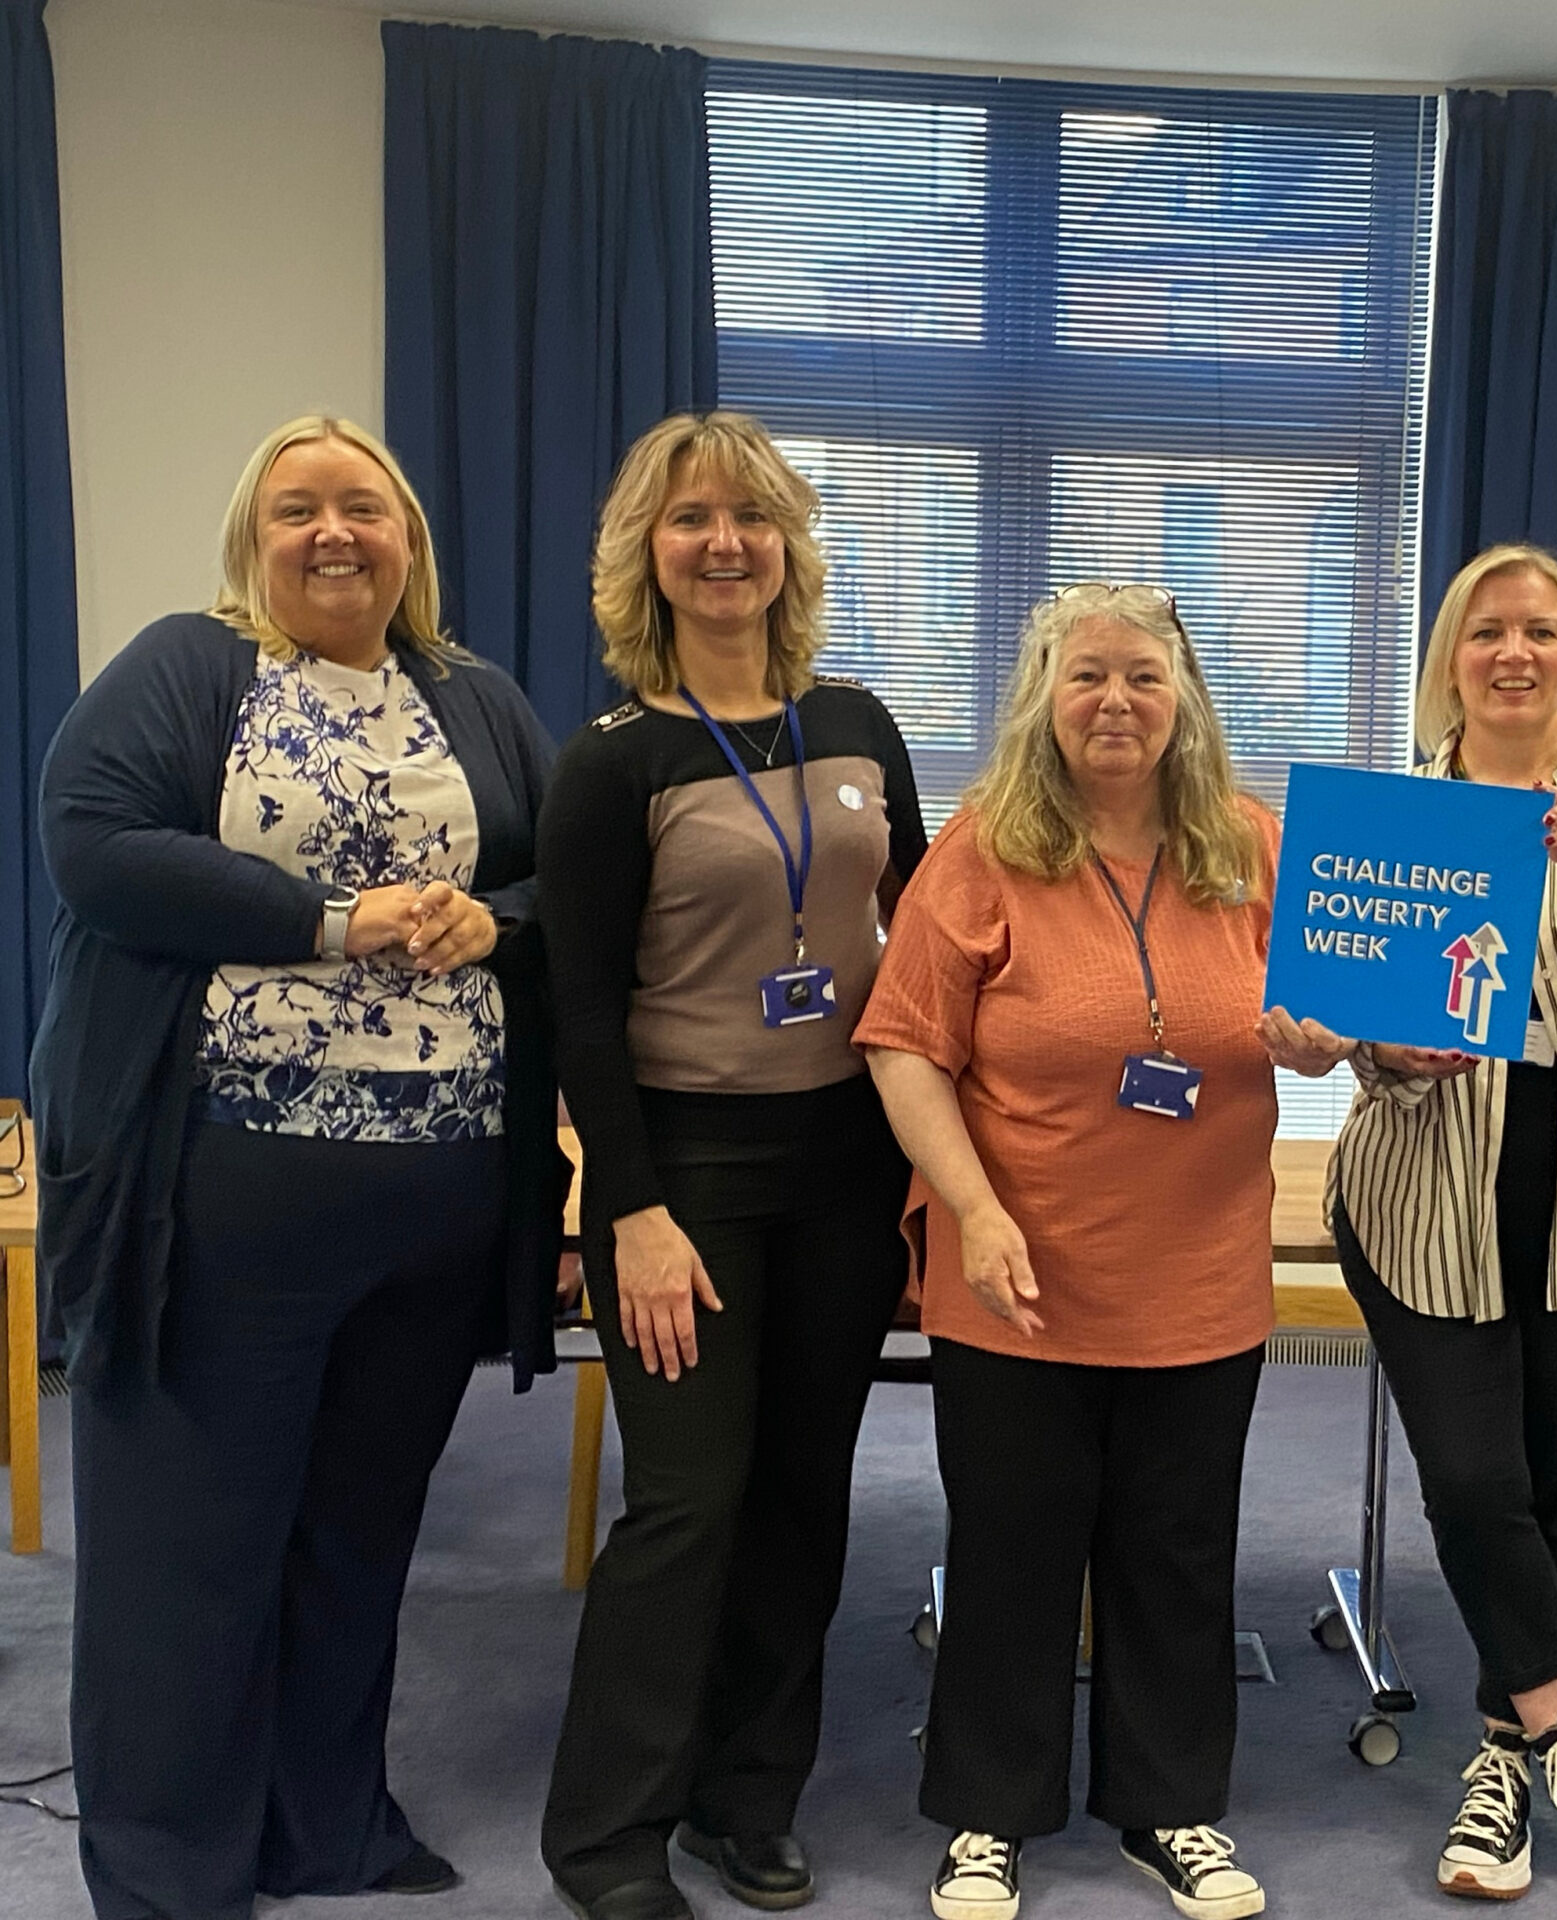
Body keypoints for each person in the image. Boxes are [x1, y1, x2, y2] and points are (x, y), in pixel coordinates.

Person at [31, 415, 561, 1920]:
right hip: (218, 1188)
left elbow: (554, 870)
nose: (334, 534)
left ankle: (326, 1829)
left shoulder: (474, 696)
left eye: (365, 508)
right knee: (186, 1547)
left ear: (410, 540)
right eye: (297, 510)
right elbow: (94, 841)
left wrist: (495, 921)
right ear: (251, 541)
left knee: (357, 1534)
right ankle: (165, 1867)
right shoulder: (189, 668)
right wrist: (331, 921)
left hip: (436, 1200)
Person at [1262, 543, 1557, 1905]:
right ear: (1451, 663)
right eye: (1486, 634)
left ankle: (1499, 1762)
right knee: (1474, 1482)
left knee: (1556, 1492)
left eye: (1541, 631)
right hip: (1424, 1203)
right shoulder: (1393, 821)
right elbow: (1339, 1015)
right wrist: (1352, 1046)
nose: (1514, 654)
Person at [539, 412, 926, 1920]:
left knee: (799, 1494)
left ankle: (744, 1801)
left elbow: (937, 932)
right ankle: (608, 1839)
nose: (724, 544)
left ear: (788, 548)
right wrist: (624, 1207)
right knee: (686, 1504)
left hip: (841, 1161)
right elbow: (579, 1012)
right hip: (681, 1168)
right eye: (692, 519)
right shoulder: (612, 763)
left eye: (752, 519)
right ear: (651, 551)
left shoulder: (858, 726)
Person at [860, 582, 1292, 1920]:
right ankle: (989, 1815)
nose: (1116, 701)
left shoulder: (1253, 846)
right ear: (1046, 698)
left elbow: (1347, 1016)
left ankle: (1168, 1810)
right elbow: (901, 1044)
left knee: (1175, 1550)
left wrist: (1343, 1043)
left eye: (1144, 678)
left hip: (1201, 1277)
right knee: (1013, 1547)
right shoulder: (988, 849)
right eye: (1087, 676)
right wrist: (974, 1207)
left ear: (1185, 701)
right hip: (1017, 1280)